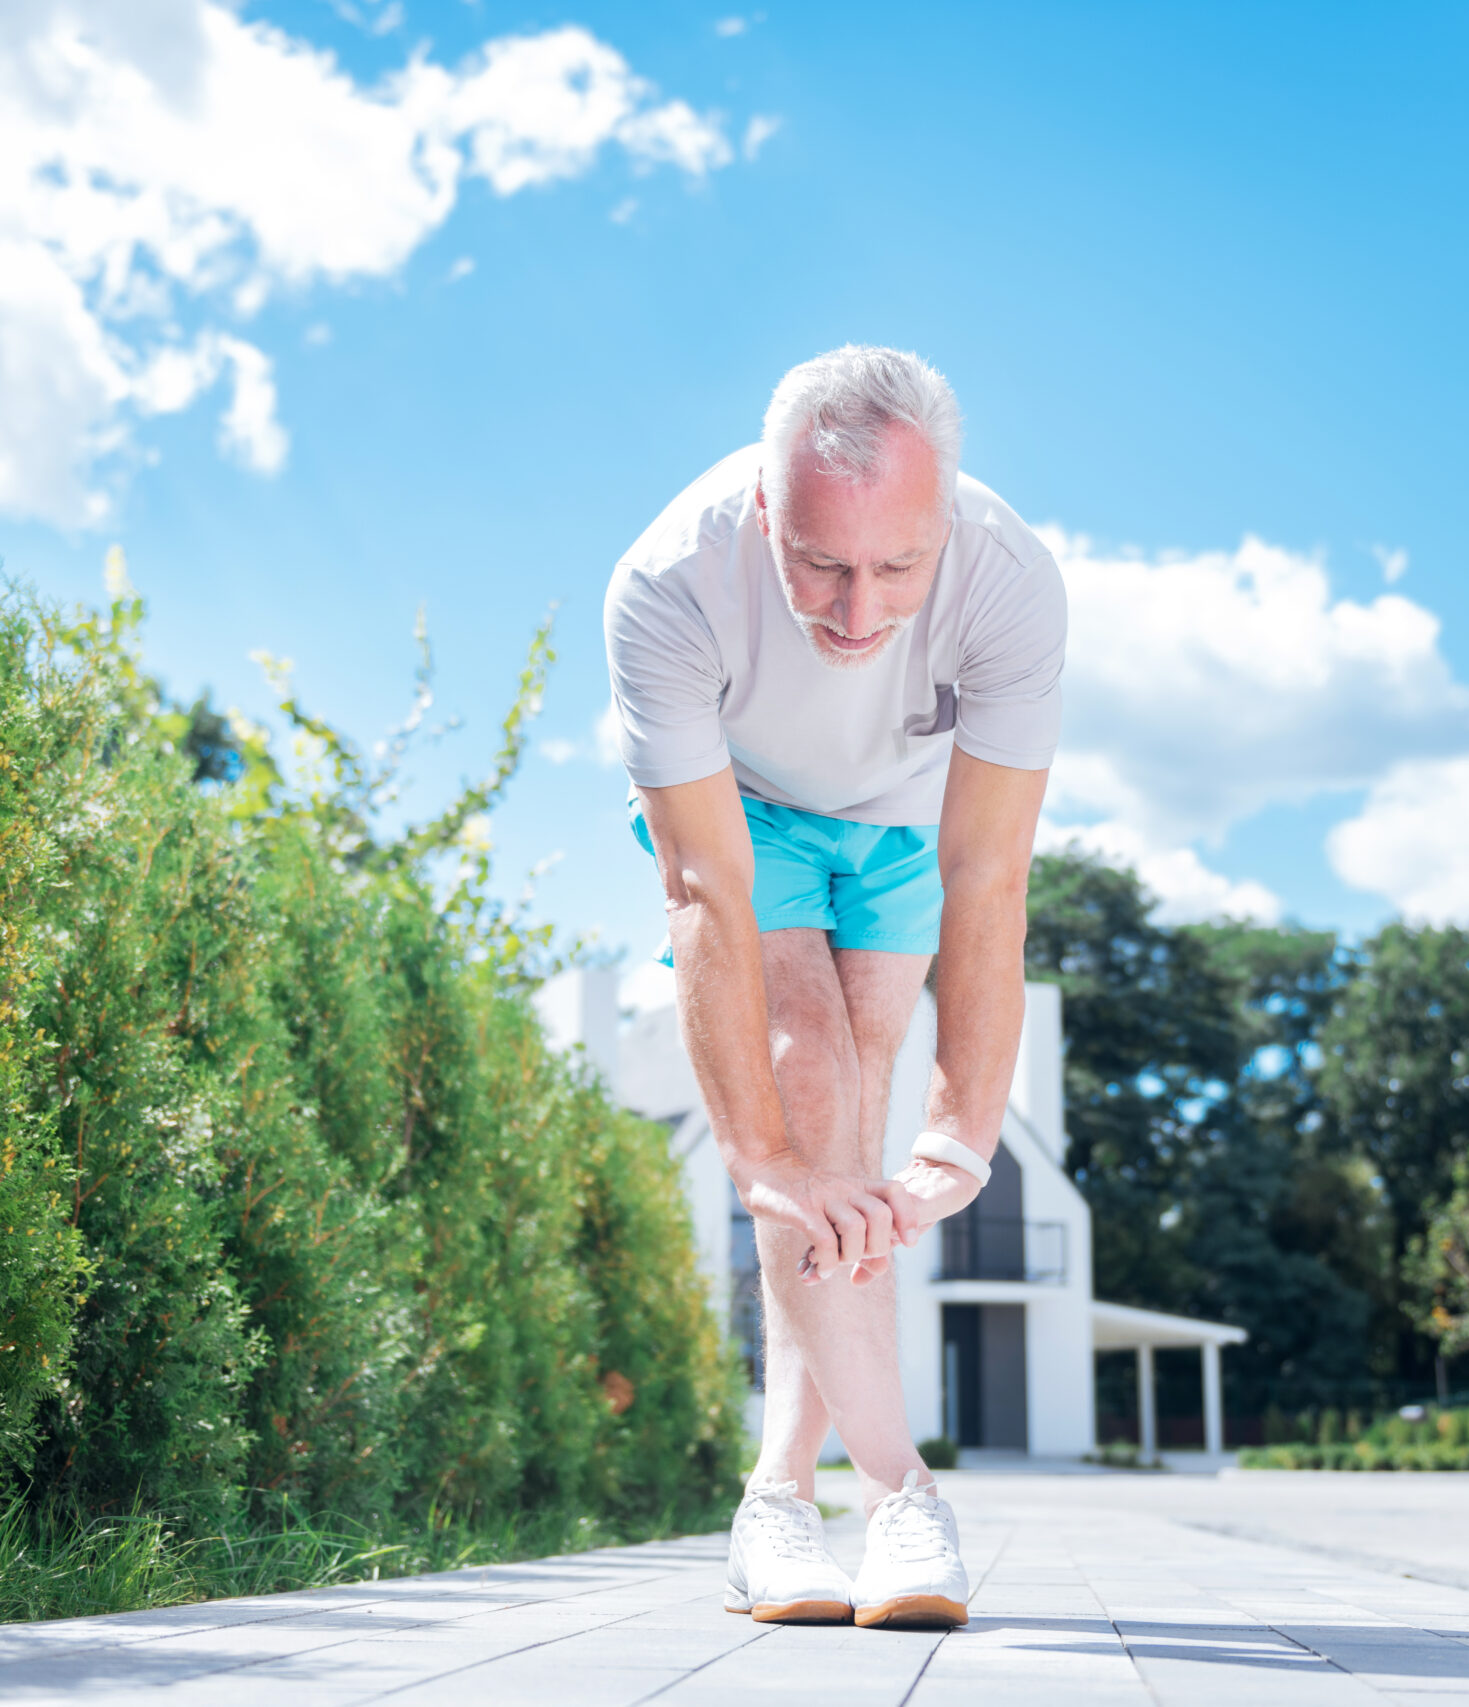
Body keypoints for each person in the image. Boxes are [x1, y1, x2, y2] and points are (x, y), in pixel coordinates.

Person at [604, 346, 1064, 1629]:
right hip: (744, 816)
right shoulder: (667, 583)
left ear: (946, 524)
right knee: (807, 1080)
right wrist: (757, 1156)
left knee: (853, 1140)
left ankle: (771, 1499)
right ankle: (900, 1490)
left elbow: (988, 878)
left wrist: (963, 1135)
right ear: (764, 506)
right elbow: (705, 890)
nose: (858, 612)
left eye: (895, 569)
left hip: (913, 830)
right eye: (819, 562)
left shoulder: (1012, 580)